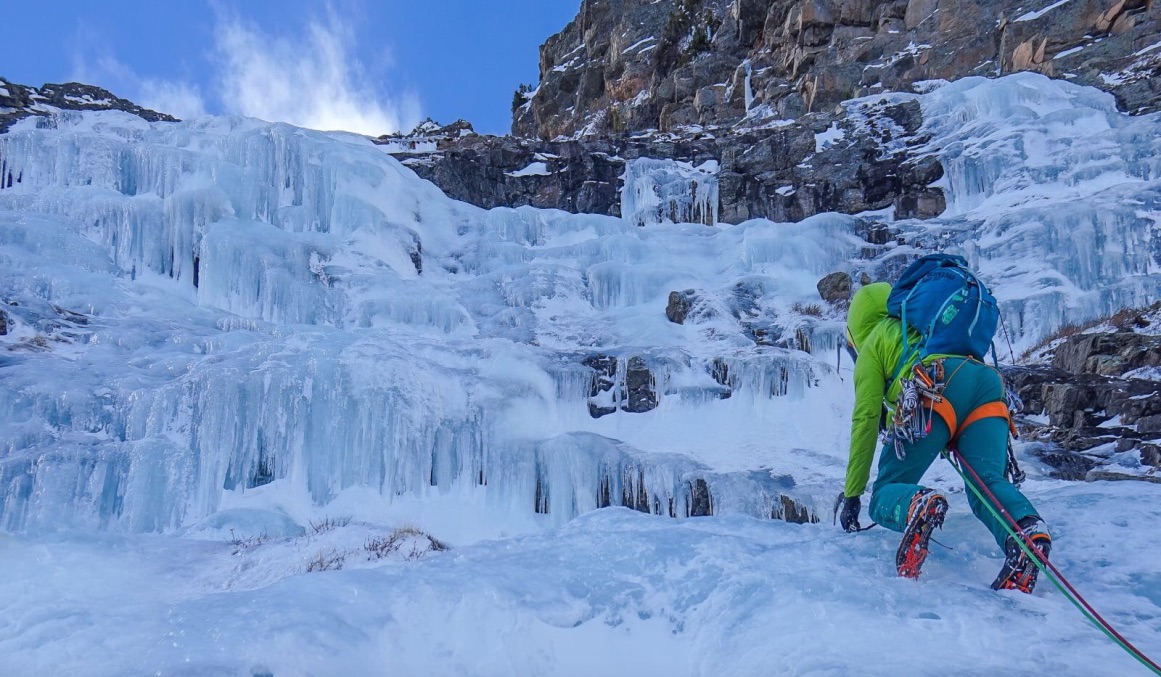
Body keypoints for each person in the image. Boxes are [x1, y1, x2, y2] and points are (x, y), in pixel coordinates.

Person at [837, 281, 1052, 592]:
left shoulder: (873, 341)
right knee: (987, 485)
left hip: (933, 384)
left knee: (886, 490)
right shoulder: (928, 326)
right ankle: (1027, 531)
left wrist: (853, 495)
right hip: (988, 385)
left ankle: (917, 504)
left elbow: (866, 418)